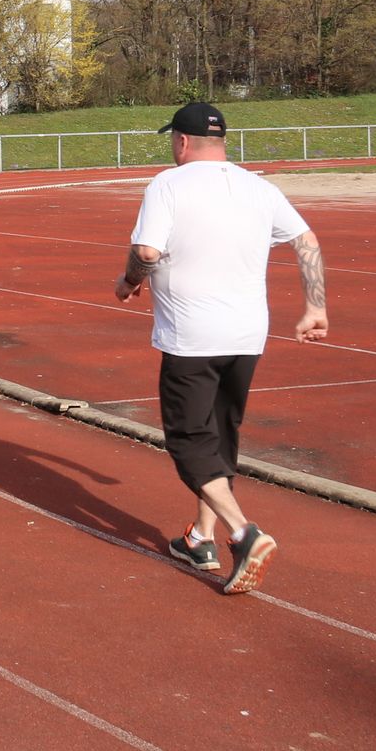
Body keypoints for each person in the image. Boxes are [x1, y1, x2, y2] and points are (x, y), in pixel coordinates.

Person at [114, 101, 329, 595]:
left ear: (181, 141)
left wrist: (129, 280)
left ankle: (243, 532)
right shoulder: (259, 187)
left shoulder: (168, 184)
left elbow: (146, 251)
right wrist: (315, 307)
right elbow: (307, 242)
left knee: (189, 441)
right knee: (219, 435)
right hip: (247, 334)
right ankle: (200, 537)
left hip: (192, 336)